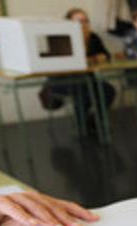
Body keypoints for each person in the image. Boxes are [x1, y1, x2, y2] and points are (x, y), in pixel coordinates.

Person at [39, 8, 118, 136]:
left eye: (86, 21)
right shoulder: (61, 38)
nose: (84, 24)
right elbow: (63, 63)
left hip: (86, 79)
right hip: (62, 81)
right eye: (80, 21)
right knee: (83, 90)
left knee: (108, 90)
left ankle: (93, 119)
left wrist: (93, 58)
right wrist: (92, 58)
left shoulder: (92, 37)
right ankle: (82, 125)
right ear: (69, 23)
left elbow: (106, 55)